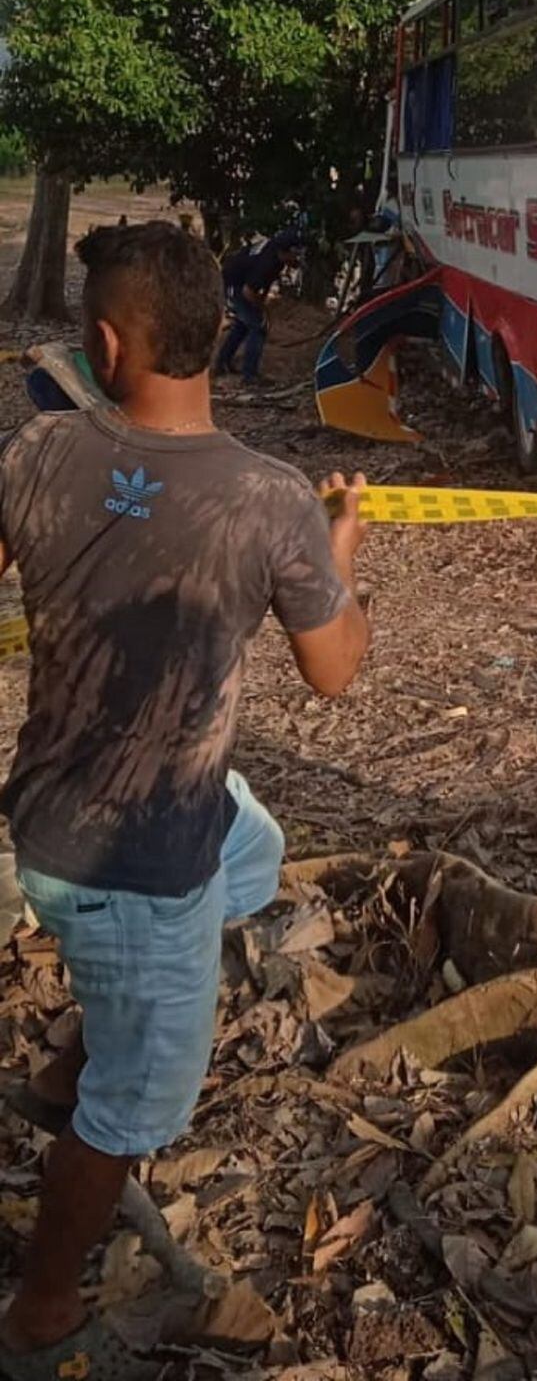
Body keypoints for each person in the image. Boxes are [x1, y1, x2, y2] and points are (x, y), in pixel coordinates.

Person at [0, 221, 369, 1381]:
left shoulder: (32, 452)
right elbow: (335, 669)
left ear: (108, 343)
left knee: (249, 849)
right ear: (217, 331)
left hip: (59, 822)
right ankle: (44, 1307)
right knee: (134, 1110)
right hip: (138, 868)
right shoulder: (269, 502)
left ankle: (67, 1064)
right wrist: (338, 550)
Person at [214, 224, 304, 384]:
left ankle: (222, 363)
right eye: (295, 254)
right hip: (233, 285)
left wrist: (261, 305)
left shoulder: (277, 257)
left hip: (239, 283)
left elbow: (263, 285)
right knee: (257, 326)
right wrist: (263, 311)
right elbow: (248, 292)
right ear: (285, 251)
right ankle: (250, 375)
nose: (297, 258)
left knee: (243, 325)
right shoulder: (267, 262)